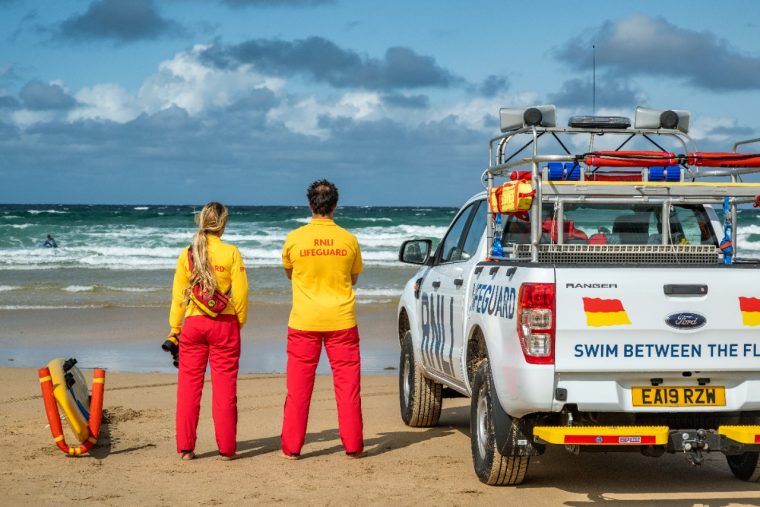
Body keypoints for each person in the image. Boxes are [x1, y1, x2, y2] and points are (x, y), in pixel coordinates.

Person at [280, 179, 364, 459]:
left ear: (309, 205)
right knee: (348, 388)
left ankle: (291, 449)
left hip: (304, 321)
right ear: (335, 206)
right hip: (341, 320)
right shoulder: (348, 239)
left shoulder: (294, 238)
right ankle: (352, 446)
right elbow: (352, 278)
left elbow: (290, 272)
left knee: (298, 390)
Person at [168, 202, 248, 461]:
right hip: (224, 325)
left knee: (188, 389)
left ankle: (186, 449)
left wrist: (174, 328)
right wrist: (239, 322)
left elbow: (178, 295)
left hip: (193, 325)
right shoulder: (231, 252)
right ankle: (226, 449)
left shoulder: (187, 253)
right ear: (223, 223)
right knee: (225, 389)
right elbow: (242, 293)